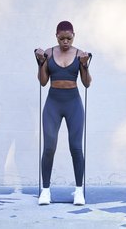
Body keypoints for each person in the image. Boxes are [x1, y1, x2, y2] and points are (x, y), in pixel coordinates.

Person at [34, 21, 92, 206]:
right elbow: (43, 82)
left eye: (69, 38)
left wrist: (85, 65)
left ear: (74, 35)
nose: (65, 41)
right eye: (61, 38)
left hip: (73, 102)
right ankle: (45, 191)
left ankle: (78, 191)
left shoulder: (80, 54)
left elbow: (87, 83)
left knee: (76, 147)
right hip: (53, 103)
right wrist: (41, 62)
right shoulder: (49, 53)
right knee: (49, 147)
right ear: (56, 36)